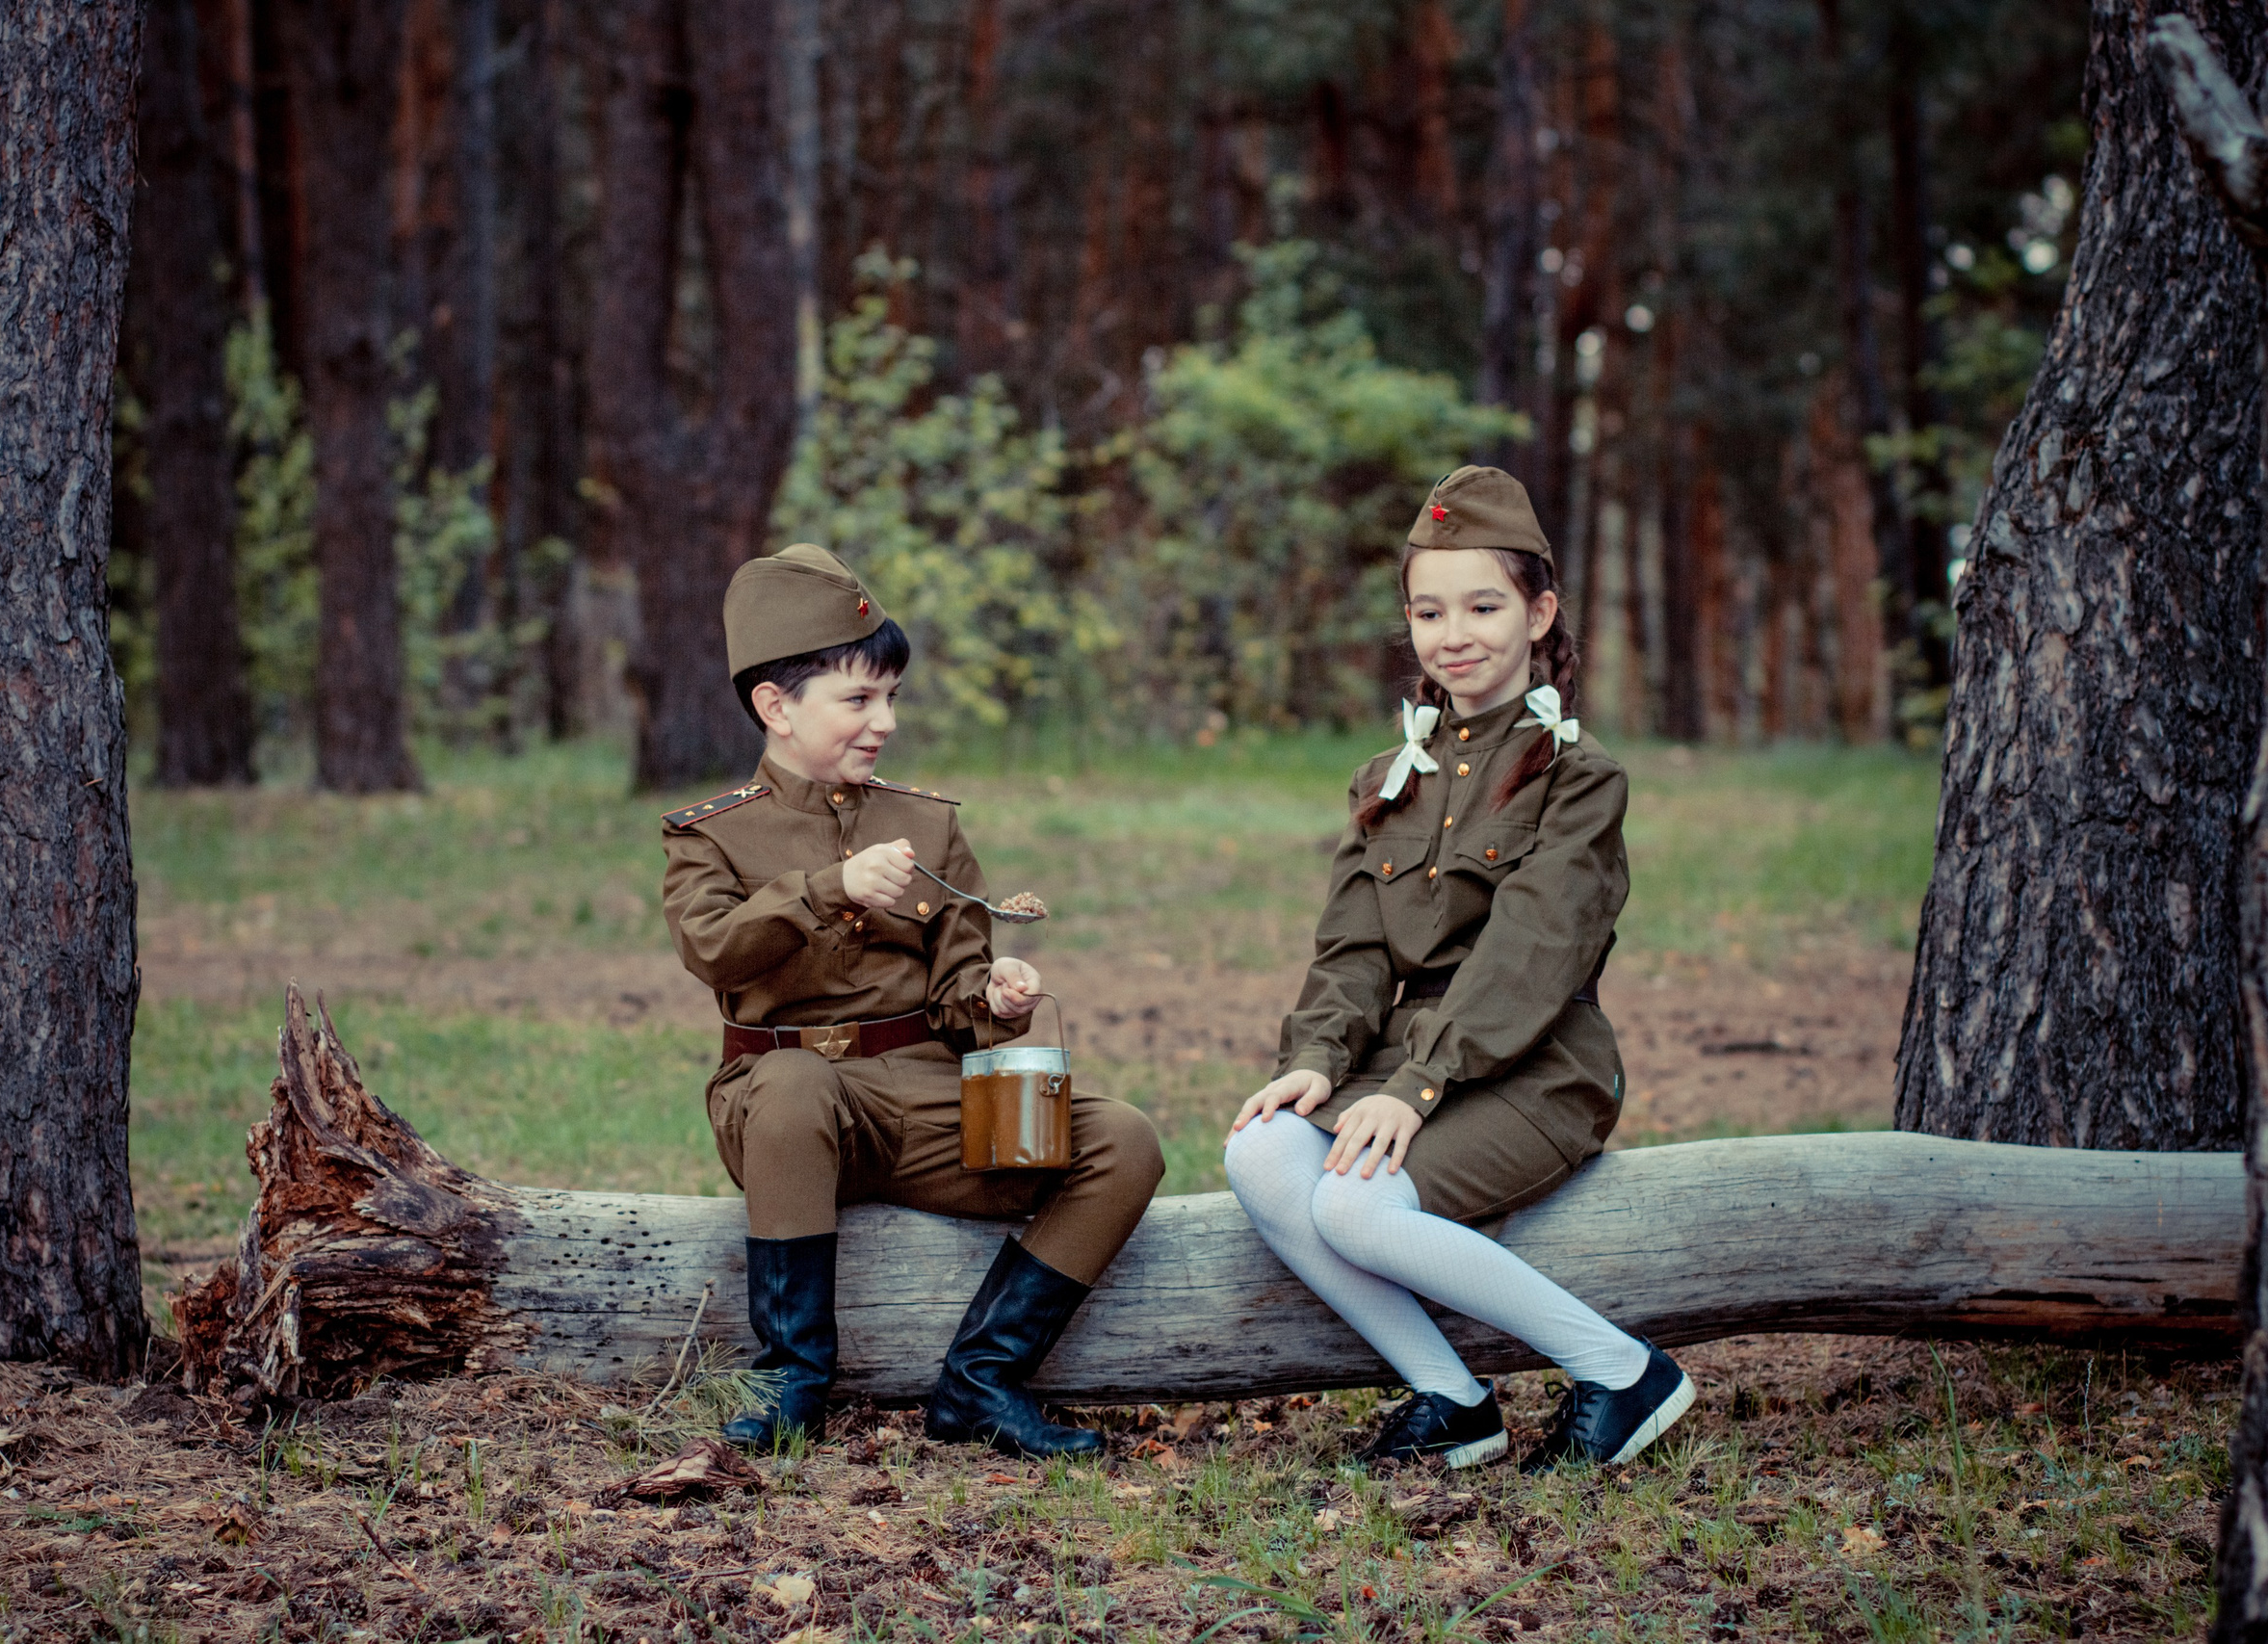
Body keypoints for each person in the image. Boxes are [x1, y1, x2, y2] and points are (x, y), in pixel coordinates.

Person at [1221, 467, 1695, 1473]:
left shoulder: (1578, 776)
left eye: (1484, 605)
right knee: (1260, 1151)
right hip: (1406, 1062)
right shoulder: (1389, 778)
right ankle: (1452, 1398)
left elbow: (1530, 953)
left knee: (1353, 1204)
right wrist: (1315, 1058)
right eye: (1429, 611)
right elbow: (1349, 950)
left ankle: (1623, 1373)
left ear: (1539, 612)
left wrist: (1414, 1086)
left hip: (1537, 1067)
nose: (1455, 634)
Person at [661, 543, 1164, 1459]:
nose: (884, 720)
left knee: (1122, 1138)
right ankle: (792, 1380)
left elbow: (955, 992)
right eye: (858, 699)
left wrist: (999, 998)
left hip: (925, 1098)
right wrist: (829, 886)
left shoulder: (927, 822)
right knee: (791, 1084)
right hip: (788, 1115)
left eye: (891, 695)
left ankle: (981, 1380)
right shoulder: (715, 836)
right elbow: (711, 949)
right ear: (776, 707)